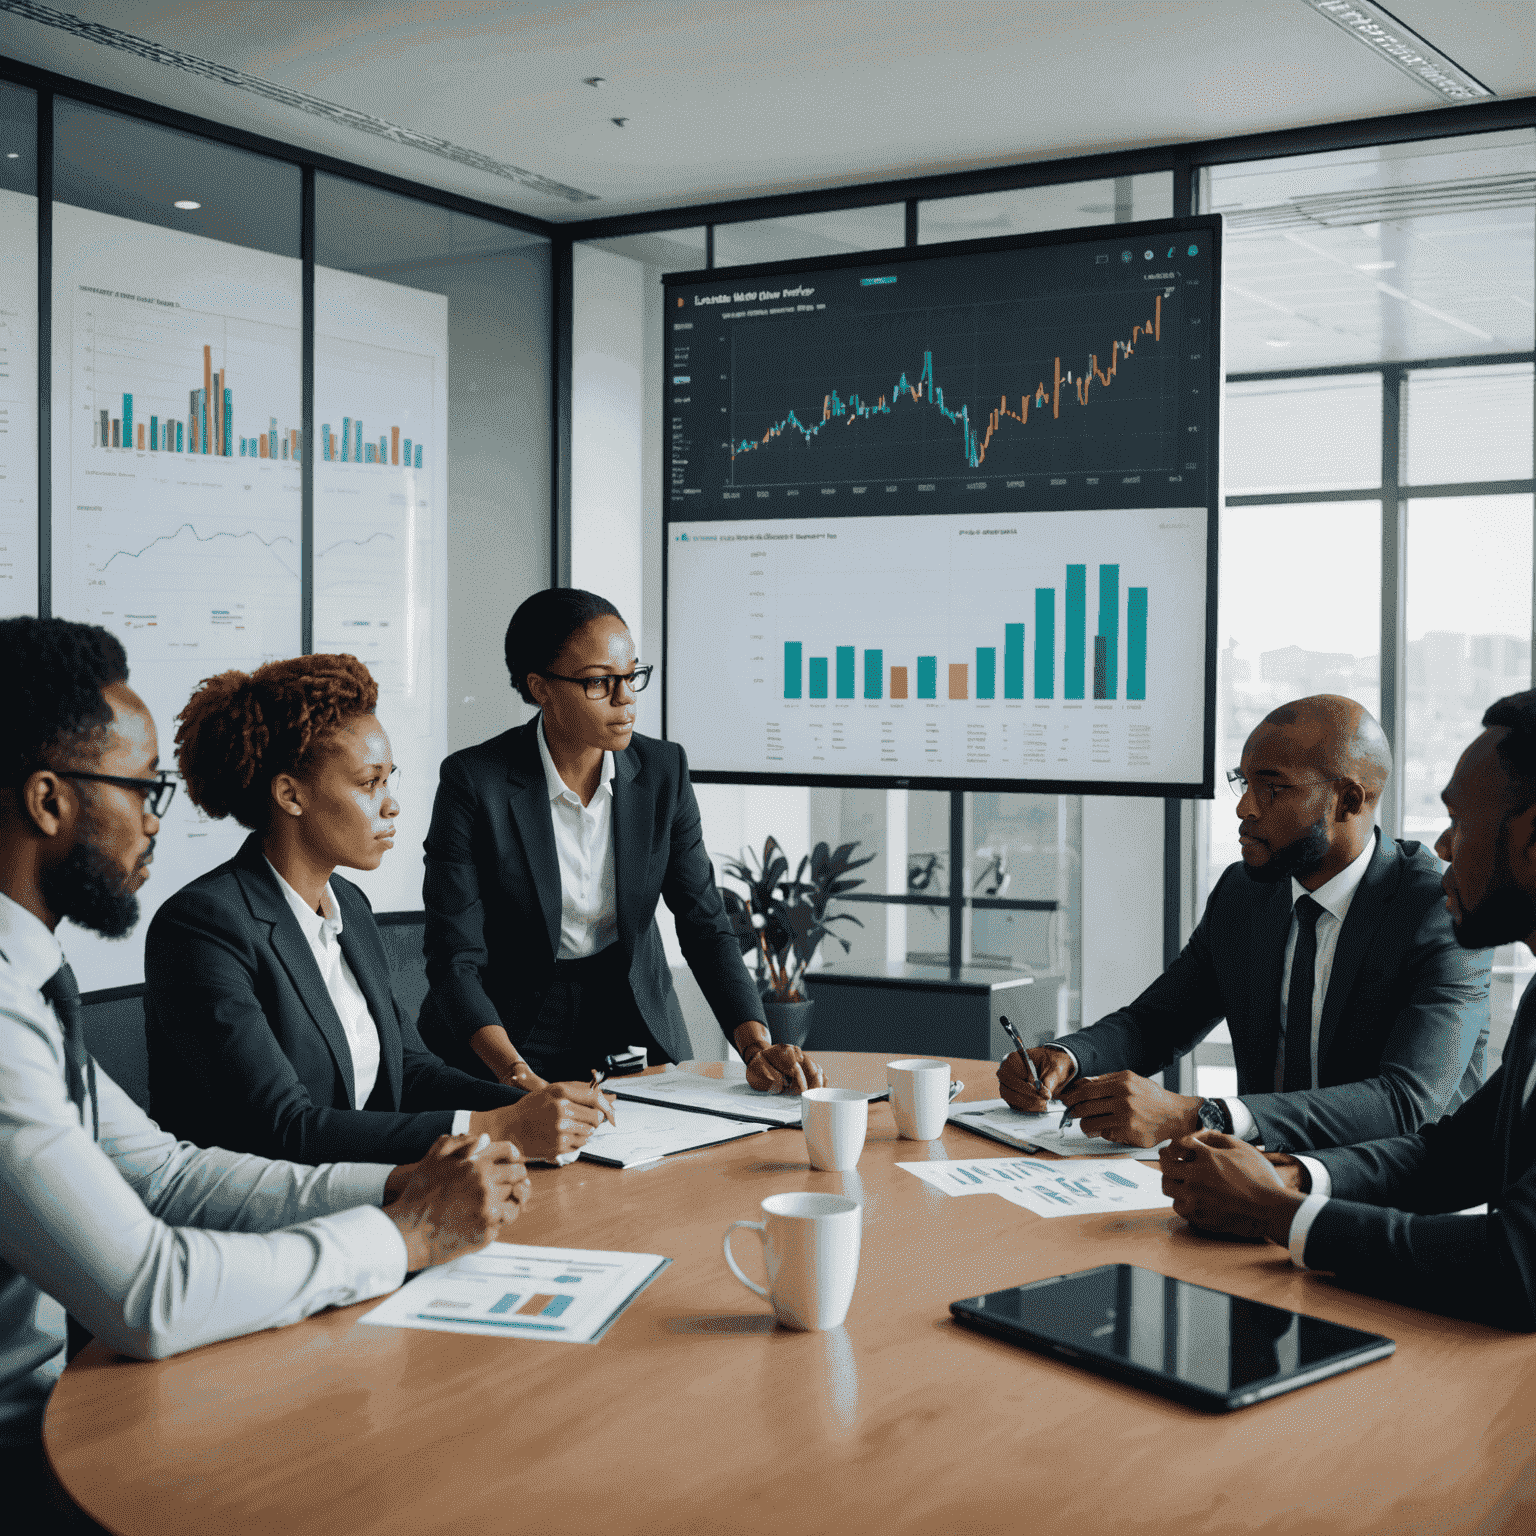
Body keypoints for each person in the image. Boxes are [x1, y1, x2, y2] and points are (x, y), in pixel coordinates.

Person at [0, 618, 527, 1522]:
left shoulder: (31, 975)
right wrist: (402, 1236)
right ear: (49, 802)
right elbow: (146, 1291)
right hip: (24, 1457)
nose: (156, 817)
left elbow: (166, 1171)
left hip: (55, 1413)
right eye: (139, 788)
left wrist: (401, 1182)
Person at [1159, 692, 1536, 1330]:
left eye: (1462, 820)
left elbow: (1518, 1266)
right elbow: (1457, 1156)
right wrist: (1296, 1178)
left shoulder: (1418, 904)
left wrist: (1275, 1212)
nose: (1444, 846)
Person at [145, 654, 612, 1166]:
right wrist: (497, 1126)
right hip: (259, 1226)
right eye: (369, 783)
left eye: (389, 779)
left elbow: (409, 1071)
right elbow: (284, 1129)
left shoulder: (350, 904)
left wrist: (535, 1104)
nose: (391, 805)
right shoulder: (201, 927)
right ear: (289, 795)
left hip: (369, 1197)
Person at [998, 695, 1489, 1153]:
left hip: (1392, 1209)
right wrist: (1067, 1058)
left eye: (1272, 789)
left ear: (1349, 801)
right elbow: (1159, 1022)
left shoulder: (1439, 910)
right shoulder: (1246, 892)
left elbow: (1406, 1101)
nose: (1244, 808)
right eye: (1245, 783)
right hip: (1255, 1184)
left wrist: (1200, 1115)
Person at [417, 588, 823, 1093]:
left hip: (627, 1012)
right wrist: (517, 1077)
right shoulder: (475, 782)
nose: (625, 696)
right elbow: (454, 958)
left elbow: (704, 923)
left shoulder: (663, 772)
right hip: (505, 1028)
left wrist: (755, 1044)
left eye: (631, 676)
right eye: (599, 683)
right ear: (540, 687)